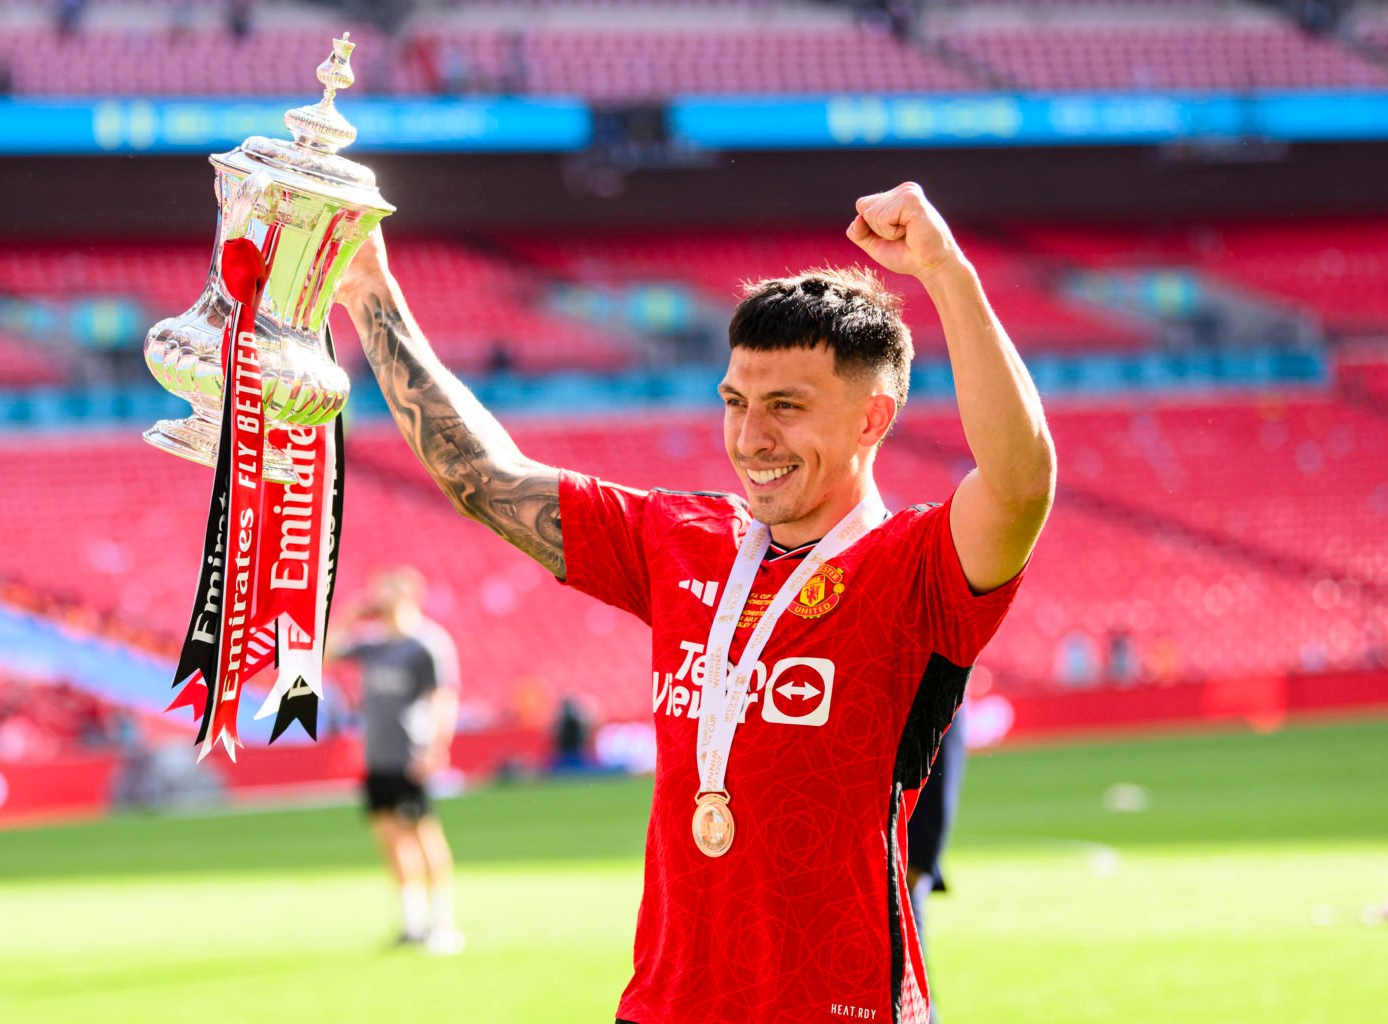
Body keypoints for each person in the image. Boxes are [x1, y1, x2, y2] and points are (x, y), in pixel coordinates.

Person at [336, 182, 1055, 1023]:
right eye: (736, 403)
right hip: (666, 1006)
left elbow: (1020, 484)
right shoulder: (680, 537)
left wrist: (943, 269)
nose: (751, 438)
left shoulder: (917, 568)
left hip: (840, 1004)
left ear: (873, 419)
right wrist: (369, 293)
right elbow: (485, 479)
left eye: (786, 407)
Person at [331, 567, 464, 954]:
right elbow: (323, 656)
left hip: (411, 754)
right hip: (378, 756)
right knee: (391, 840)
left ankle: (443, 922)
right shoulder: (372, 644)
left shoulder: (426, 644)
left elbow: (443, 697)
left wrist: (437, 747)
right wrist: (350, 616)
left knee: (424, 835)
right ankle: (412, 922)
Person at [906, 705, 969, 1024]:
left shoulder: (937, 668)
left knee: (907, 986)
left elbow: (944, 766)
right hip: (870, 860)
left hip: (902, 867)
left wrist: (920, 859)